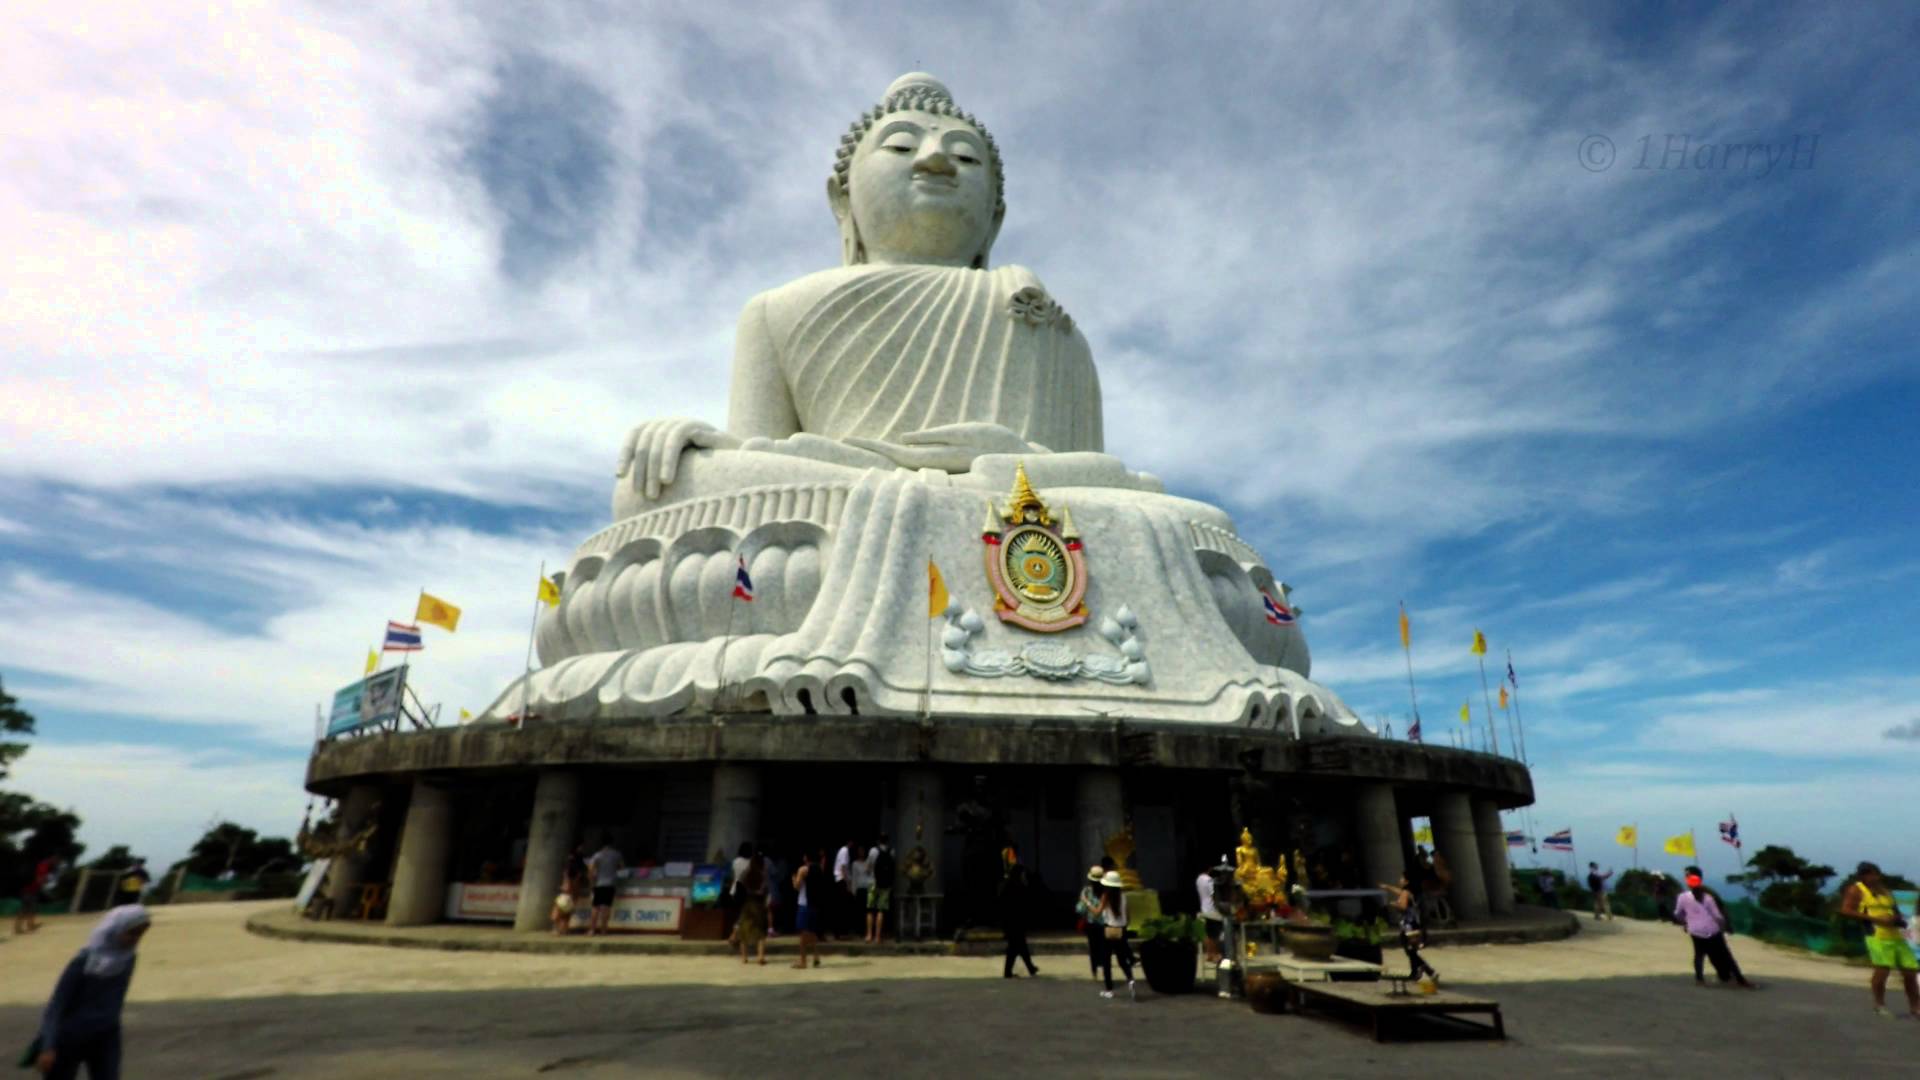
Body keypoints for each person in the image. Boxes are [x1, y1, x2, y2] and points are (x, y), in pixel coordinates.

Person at [33, 904, 151, 1080]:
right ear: (114, 930)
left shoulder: (128, 959)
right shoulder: (83, 962)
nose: (135, 940)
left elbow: (115, 1001)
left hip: (106, 1037)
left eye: (140, 935)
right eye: (131, 933)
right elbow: (57, 1004)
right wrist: (48, 1046)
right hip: (69, 1038)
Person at [1839, 861, 1918, 1018]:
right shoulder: (1856, 890)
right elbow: (1846, 910)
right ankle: (1879, 1004)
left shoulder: (1885, 891)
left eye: (1876, 874)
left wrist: (1896, 918)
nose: (1874, 877)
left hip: (1896, 935)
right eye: (1871, 874)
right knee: (1883, 970)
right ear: (1862, 876)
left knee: (1910, 971)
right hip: (1876, 935)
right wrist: (1875, 919)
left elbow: (1896, 911)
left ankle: (1915, 1007)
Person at [1673, 870, 1753, 988]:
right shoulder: (1708, 895)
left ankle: (1700, 979)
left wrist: (1685, 923)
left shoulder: (1684, 896)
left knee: (1700, 954)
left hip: (1696, 930)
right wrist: (1724, 925)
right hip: (1712, 929)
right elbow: (1718, 914)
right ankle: (1738, 979)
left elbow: (1678, 914)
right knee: (1724, 954)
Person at [1380, 873, 1439, 991]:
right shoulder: (1407, 892)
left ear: (1406, 881)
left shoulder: (1406, 893)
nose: (1399, 880)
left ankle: (1428, 970)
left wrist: (1394, 904)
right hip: (1412, 925)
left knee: (1410, 950)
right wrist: (1387, 887)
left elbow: (1403, 906)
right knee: (1411, 950)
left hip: (1408, 926)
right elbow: (1399, 892)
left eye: (1402, 878)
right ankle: (1416, 972)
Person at [1095, 870, 1137, 1001]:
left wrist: (1087, 903)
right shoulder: (1123, 896)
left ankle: (1109, 990)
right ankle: (1130, 979)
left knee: (1106, 961)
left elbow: (1097, 912)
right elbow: (1128, 915)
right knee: (1122, 959)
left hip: (1109, 930)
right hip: (1122, 930)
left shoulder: (1105, 896)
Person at [999, 850, 1039, 978]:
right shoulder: (1016, 887)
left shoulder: (1011, 886)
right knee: (1016, 947)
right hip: (1014, 923)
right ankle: (1009, 971)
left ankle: (1030, 967)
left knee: (1020, 946)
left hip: (1013, 923)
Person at [730, 854, 769, 966]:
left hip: (746, 905)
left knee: (744, 931)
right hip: (758, 905)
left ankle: (744, 957)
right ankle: (760, 956)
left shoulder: (745, 874)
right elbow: (764, 890)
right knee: (761, 932)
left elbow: (740, 887)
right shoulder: (763, 875)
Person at [586, 834, 624, 936]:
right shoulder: (617, 854)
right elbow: (621, 867)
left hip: (599, 884)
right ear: (612, 843)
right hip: (610, 883)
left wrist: (591, 883)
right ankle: (603, 930)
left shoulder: (597, 855)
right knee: (606, 908)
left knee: (595, 908)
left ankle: (592, 930)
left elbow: (590, 869)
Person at [791, 851, 822, 969]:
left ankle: (803, 961)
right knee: (812, 932)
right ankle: (816, 956)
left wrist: (794, 880)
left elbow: (797, 886)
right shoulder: (819, 868)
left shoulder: (803, 869)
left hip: (805, 903)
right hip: (815, 904)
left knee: (803, 934)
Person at [1075, 865, 1106, 983]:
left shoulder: (1086, 891)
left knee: (1094, 949)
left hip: (1092, 923)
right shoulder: (1105, 891)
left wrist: (1086, 902)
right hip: (1102, 924)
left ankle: (1095, 972)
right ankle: (1104, 971)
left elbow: (1081, 909)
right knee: (1103, 948)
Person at [15, 855, 60, 934]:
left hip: (29, 889)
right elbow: (40, 879)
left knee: (29, 908)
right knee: (27, 908)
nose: (56, 863)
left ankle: (26, 926)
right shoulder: (44, 866)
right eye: (56, 861)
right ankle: (22, 927)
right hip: (30, 890)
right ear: (53, 859)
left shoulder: (41, 865)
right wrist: (46, 883)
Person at [866, 835, 894, 943]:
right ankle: (878, 937)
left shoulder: (873, 851)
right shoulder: (891, 851)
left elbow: (868, 867)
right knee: (880, 910)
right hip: (885, 885)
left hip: (873, 883)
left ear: (878, 841)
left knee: (870, 909)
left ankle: (869, 935)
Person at [1196, 862, 1223, 968]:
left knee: (1208, 933)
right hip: (1212, 910)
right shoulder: (1208, 880)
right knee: (1214, 934)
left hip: (1204, 908)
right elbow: (1213, 894)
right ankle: (1214, 954)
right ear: (1209, 868)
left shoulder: (1198, 879)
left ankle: (1209, 954)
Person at [832, 839, 855, 940]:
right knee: (841, 907)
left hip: (840, 879)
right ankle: (839, 932)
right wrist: (847, 883)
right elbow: (843, 867)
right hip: (842, 880)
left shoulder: (842, 851)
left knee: (840, 907)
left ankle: (840, 932)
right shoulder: (845, 850)